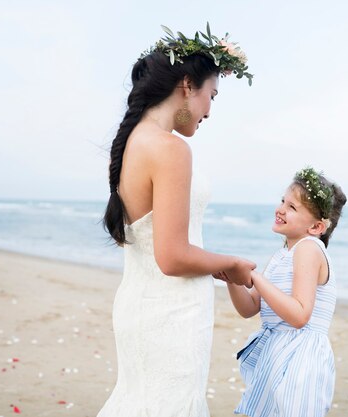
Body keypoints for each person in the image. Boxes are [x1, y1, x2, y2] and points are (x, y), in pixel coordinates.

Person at [98, 24, 254, 417]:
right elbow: (171, 256)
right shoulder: (170, 148)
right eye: (211, 96)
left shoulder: (134, 141)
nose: (210, 111)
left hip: (140, 304)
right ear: (187, 84)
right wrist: (231, 264)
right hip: (171, 312)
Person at [214, 167, 347, 417]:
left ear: (317, 227)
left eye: (292, 208)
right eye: (283, 201)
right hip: (277, 351)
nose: (281, 209)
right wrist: (233, 280)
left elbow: (299, 315)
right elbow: (250, 307)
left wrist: (253, 276)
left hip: (301, 356)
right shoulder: (281, 255)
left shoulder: (309, 249)